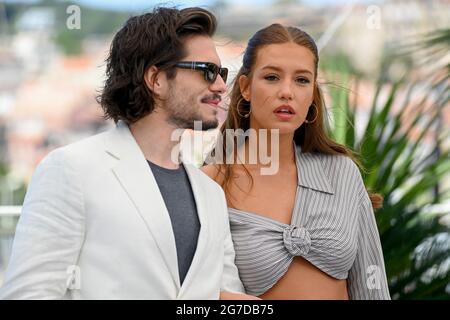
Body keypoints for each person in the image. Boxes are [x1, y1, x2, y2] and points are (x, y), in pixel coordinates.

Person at [0, 6, 253, 300]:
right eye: (208, 71)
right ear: (156, 79)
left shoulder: (211, 194)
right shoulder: (71, 170)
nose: (221, 85)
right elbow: (29, 294)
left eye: (221, 72)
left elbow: (224, 295)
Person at [202, 24, 391, 300]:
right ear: (245, 88)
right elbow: (196, 291)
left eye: (301, 80)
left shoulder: (340, 171)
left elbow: (372, 284)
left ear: (312, 92)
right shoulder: (211, 184)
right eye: (272, 77)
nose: (287, 92)